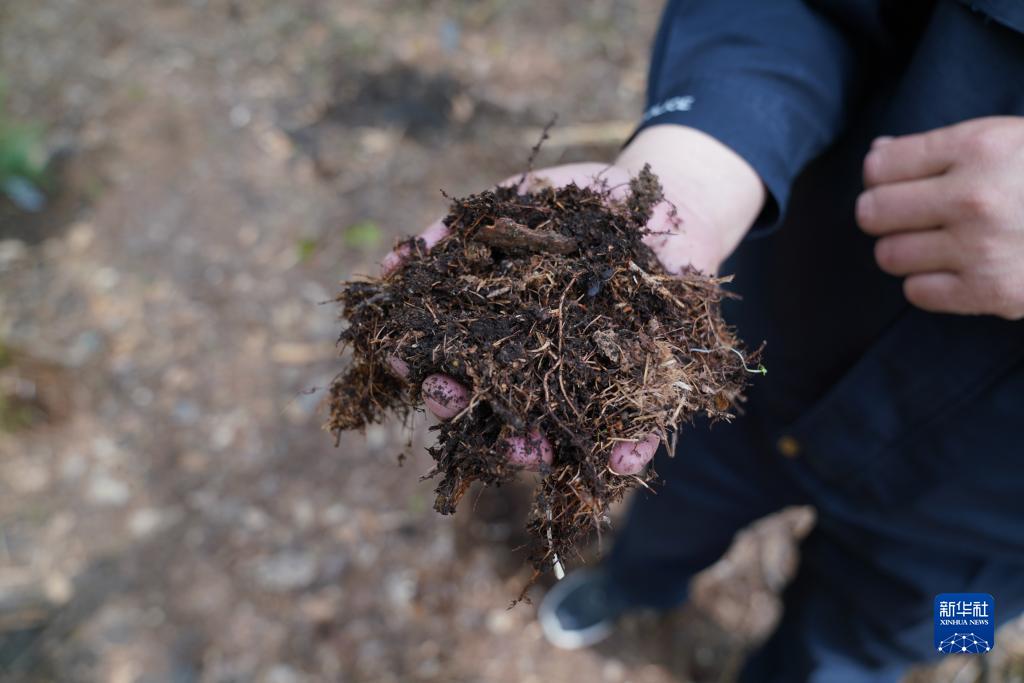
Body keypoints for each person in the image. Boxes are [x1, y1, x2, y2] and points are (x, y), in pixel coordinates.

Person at [388, 1, 1024, 680]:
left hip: (989, 530)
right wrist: (695, 173)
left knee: (896, 638)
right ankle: (635, 586)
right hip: (763, 364)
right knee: (667, 515)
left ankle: (880, 660)